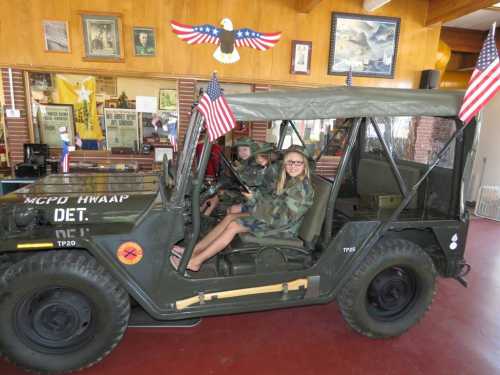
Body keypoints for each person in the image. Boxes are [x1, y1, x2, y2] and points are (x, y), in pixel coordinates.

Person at [170, 145, 315, 272]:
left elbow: (282, 218)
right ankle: (194, 251)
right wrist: (255, 197)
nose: (293, 166)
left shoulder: (301, 189)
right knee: (230, 217)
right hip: (272, 218)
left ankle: (196, 262)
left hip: (282, 228)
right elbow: (273, 202)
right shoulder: (289, 181)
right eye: (289, 162)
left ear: (305, 165)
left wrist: (254, 200)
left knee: (234, 225)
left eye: (298, 163)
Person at [201, 137, 259, 216]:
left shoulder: (255, 164)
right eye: (239, 150)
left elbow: (249, 182)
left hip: (250, 195)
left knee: (218, 195)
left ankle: (204, 216)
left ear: (252, 149)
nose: (242, 152)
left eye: (245, 149)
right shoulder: (243, 162)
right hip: (240, 191)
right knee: (213, 195)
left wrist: (237, 173)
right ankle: (202, 215)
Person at [228, 142, 280, 214]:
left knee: (232, 209)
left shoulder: (272, 170)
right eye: (257, 156)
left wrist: (253, 195)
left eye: (262, 156)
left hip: (266, 205)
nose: (258, 159)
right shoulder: (266, 167)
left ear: (269, 156)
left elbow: (269, 193)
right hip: (258, 198)